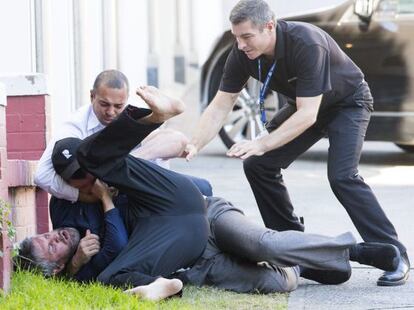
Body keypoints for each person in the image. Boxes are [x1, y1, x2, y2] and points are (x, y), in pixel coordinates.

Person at [18, 94, 400, 296]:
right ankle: (310, 262)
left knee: (262, 244)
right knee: (278, 281)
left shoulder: (112, 175)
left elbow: (194, 182)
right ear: (68, 182)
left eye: (88, 172)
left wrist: (116, 185)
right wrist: (76, 259)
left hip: (207, 214)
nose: (56, 235)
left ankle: (352, 250)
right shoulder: (70, 217)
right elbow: (109, 258)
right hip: (186, 255)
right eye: (78, 177)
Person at [184, 0, 409, 286]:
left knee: (342, 176)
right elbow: (221, 105)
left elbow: (307, 115)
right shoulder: (243, 54)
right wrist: (194, 143)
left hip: (347, 103)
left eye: (247, 37)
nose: (240, 45)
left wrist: (263, 142)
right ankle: (297, 251)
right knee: (258, 166)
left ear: (269, 26)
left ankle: (395, 253)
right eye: (236, 37)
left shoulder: (306, 41)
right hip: (306, 105)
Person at [34, 69, 212, 203]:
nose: (110, 112)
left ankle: (132, 153)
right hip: (112, 197)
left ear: (126, 100)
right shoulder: (75, 126)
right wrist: (84, 197)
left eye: (118, 106)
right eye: (104, 104)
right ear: (91, 96)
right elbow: (41, 175)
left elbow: (177, 141)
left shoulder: (130, 116)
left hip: (145, 181)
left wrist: (129, 160)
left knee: (204, 187)